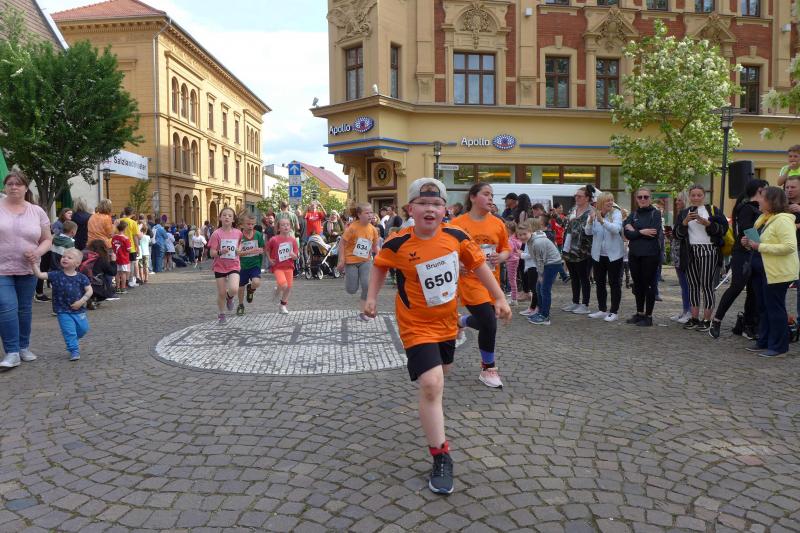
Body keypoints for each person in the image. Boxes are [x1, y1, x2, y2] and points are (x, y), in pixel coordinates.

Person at [365, 177, 511, 495]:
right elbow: (380, 265)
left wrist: (499, 297)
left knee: (443, 373)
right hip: (415, 324)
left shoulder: (456, 236)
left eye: (436, 204)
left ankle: (434, 402)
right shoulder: (398, 242)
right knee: (431, 384)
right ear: (411, 209)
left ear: (445, 210)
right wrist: (372, 297)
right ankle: (441, 456)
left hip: (446, 323)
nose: (430, 209)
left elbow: (479, 265)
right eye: (423, 203)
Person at [451, 182, 511, 389]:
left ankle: (461, 321)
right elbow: (446, 250)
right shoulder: (457, 223)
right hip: (469, 281)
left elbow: (506, 249)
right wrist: (457, 263)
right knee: (489, 322)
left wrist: (500, 257)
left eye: (492, 194)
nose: (491, 198)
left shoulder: (498, 223)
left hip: (491, 281)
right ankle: (488, 369)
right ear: (473, 197)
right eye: (486, 194)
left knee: (488, 321)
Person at [0, 171, 52, 369]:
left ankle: (23, 347)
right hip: (1, 268)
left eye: (18, 184)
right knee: (6, 307)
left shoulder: (37, 211)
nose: (14, 187)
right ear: (5, 187)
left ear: (26, 188)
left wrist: (37, 253)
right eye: (10, 184)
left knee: (24, 309)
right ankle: (12, 352)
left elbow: (47, 239)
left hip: (28, 268)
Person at [741, 186, 799, 357]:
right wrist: (748, 243)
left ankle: (779, 347)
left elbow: (789, 246)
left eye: (762, 197)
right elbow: (759, 243)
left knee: (775, 309)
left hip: (776, 272)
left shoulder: (783, 220)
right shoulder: (763, 219)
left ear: (771, 201)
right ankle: (764, 341)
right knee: (763, 308)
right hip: (760, 270)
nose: (758, 200)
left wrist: (759, 246)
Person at [709, 179, 768, 339]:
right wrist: (758, 244)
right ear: (760, 190)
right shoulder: (747, 208)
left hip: (756, 252)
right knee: (736, 287)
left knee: (754, 291)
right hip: (743, 253)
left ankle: (749, 325)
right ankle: (716, 320)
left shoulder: (762, 208)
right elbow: (746, 228)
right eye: (766, 189)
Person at [675, 184, 728, 332]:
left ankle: (707, 320)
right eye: (693, 195)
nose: (696, 198)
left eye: (699, 195)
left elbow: (723, 230)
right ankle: (694, 318)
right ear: (689, 196)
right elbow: (677, 234)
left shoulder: (712, 210)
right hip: (690, 251)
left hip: (709, 250)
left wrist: (708, 223)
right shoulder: (684, 213)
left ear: (704, 196)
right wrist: (685, 222)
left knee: (707, 286)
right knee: (692, 285)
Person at [31, 248, 91, 361]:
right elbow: (39, 275)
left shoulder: (81, 277)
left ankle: (73, 340)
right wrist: (33, 263)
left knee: (83, 329)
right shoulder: (56, 275)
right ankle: (74, 350)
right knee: (69, 331)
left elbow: (89, 290)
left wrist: (82, 301)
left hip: (79, 310)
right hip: (62, 310)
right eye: (63, 256)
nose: (65, 258)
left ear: (77, 263)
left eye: (69, 257)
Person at [623, 188, 663, 327]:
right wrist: (641, 231)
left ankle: (649, 316)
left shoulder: (655, 213)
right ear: (636, 199)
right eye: (640, 197)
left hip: (650, 255)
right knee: (638, 285)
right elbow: (627, 234)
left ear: (650, 198)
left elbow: (653, 232)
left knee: (648, 285)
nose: (643, 199)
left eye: (646, 197)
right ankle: (639, 313)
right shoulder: (633, 214)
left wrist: (635, 230)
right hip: (634, 254)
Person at [585, 192, 624, 322]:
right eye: (607, 200)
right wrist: (590, 221)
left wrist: (602, 221)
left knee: (614, 283)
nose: (610, 202)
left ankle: (614, 312)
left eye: (612, 200)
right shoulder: (594, 213)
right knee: (600, 283)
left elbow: (616, 229)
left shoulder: (616, 213)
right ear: (601, 202)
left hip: (614, 255)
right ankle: (602, 309)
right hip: (598, 255)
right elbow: (588, 232)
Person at [337, 203, 380, 320]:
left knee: (367, 285)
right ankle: (348, 277)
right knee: (351, 290)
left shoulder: (373, 229)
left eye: (371, 212)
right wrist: (341, 260)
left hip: (366, 261)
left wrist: (381, 257)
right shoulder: (352, 228)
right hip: (351, 261)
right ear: (359, 215)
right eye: (367, 213)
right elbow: (342, 243)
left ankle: (363, 313)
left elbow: (375, 247)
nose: (370, 215)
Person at [562, 185, 595, 314]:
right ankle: (575, 302)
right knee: (574, 276)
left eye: (580, 196)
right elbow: (566, 227)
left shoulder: (592, 211)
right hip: (570, 248)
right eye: (576, 196)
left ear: (587, 198)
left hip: (584, 250)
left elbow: (590, 230)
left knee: (584, 277)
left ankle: (585, 304)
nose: (577, 198)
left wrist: (575, 222)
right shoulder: (573, 209)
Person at [207, 207, 242, 324]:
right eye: (224, 215)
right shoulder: (216, 234)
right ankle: (221, 314)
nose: (227, 217)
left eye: (230, 216)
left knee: (234, 289)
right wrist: (220, 252)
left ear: (233, 219)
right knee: (221, 293)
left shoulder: (238, 233)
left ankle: (230, 297)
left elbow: (240, 245)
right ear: (220, 218)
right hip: (220, 266)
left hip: (234, 264)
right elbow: (211, 253)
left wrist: (239, 250)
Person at [526, 218, 564, 326]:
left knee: (544, 290)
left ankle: (545, 316)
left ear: (531, 229)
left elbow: (540, 260)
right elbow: (537, 258)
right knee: (539, 288)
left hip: (551, 264)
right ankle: (541, 312)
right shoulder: (532, 240)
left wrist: (540, 274)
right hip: (547, 264)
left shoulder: (537, 241)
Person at [668, 192, 692, 324]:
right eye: (676, 200)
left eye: (679, 200)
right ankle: (685, 311)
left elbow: (682, 234)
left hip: (684, 254)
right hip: (679, 253)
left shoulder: (686, 214)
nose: (676, 202)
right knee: (683, 284)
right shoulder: (681, 214)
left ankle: (689, 312)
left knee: (686, 284)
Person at [268, 218, 299, 314]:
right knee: (284, 285)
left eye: (287, 225)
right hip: (278, 267)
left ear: (290, 227)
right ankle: (278, 290)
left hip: (289, 266)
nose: (286, 226)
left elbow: (296, 255)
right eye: (283, 225)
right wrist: (269, 259)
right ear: (278, 228)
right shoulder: (274, 239)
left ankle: (282, 305)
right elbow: (267, 249)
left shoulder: (293, 240)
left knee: (288, 287)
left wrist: (294, 256)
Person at [236, 213, 265, 316]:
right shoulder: (239, 236)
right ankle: (240, 305)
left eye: (252, 224)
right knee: (240, 287)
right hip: (242, 265)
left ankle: (251, 289)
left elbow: (262, 248)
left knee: (256, 282)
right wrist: (252, 251)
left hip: (255, 264)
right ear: (242, 224)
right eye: (248, 224)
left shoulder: (258, 235)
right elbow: (238, 253)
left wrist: (261, 250)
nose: (250, 226)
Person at [82, 239, 116, 308]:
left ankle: (88, 299)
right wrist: (113, 261)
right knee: (111, 289)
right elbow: (112, 272)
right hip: (96, 286)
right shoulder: (101, 259)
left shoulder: (83, 256)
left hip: (81, 285)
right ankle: (94, 299)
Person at [517, 222, 539, 316]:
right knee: (534, 288)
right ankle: (532, 308)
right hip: (530, 266)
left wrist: (521, 254)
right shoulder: (528, 241)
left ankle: (536, 308)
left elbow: (532, 255)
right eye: (520, 235)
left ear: (530, 231)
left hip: (535, 267)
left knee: (535, 289)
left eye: (524, 234)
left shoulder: (534, 241)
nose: (522, 236)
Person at [119, 207, 140, 287]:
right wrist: (137, 247)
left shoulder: (119, 221)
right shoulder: (133, 223)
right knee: (131, 265)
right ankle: (130, 281)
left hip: (120, 247)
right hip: (131, 247)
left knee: (121, 265)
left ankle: (122, 281)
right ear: (132, 214)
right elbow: (135, 237)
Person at [111, 220, 131, 294]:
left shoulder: (114, 237)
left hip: (116, 257)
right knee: (123, 273)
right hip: (124, 258)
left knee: (117, 273)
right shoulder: (126, 238)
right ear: (125, 228)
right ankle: (123, 288)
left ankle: (117, 288)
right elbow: (128, 249)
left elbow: (112, 246)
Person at [505, 221, 521, 306]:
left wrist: (504, 257)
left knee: (512, 280)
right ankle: (514, 297)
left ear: (509, 229)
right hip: (515, 260)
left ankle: (514, 299)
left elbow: (509, 252)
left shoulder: (510, 240)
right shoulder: (516, 238)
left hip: (511, 261)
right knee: (513, 279)